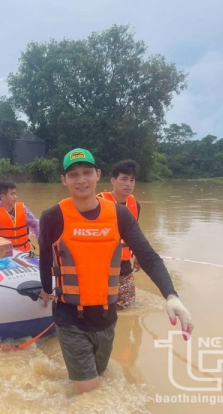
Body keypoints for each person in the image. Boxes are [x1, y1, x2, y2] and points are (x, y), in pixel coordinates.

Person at [38, 148, 193, 395]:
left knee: (100, 374)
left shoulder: (120, 215)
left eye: (87, 172)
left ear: (97, 174)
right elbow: (45, 257)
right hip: (69, 317)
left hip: (107, 318)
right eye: (73, 175)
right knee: (90, 392)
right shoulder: (52, 217)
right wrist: (46, 289)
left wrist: (171, 295)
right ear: (63, 180)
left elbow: (149, 257)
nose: (81, 180)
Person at [97, 159, 141, 310]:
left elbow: (135, 234)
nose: (128, 184)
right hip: (101, 265)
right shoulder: (98, 202)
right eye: (124, 179)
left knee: (127, 306)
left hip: (124, 264)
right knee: (100, 307)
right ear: (113, 181)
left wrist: (138, 254)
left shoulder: (135, 205)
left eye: (132, 180)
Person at [0, 181, 39, 252]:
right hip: (6, 256)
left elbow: (36, 224)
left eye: (15, 194)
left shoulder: (23, 209)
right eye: (12, 194)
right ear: (2, 196)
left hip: (24, 254)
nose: (15, 197)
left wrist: (43, 242)